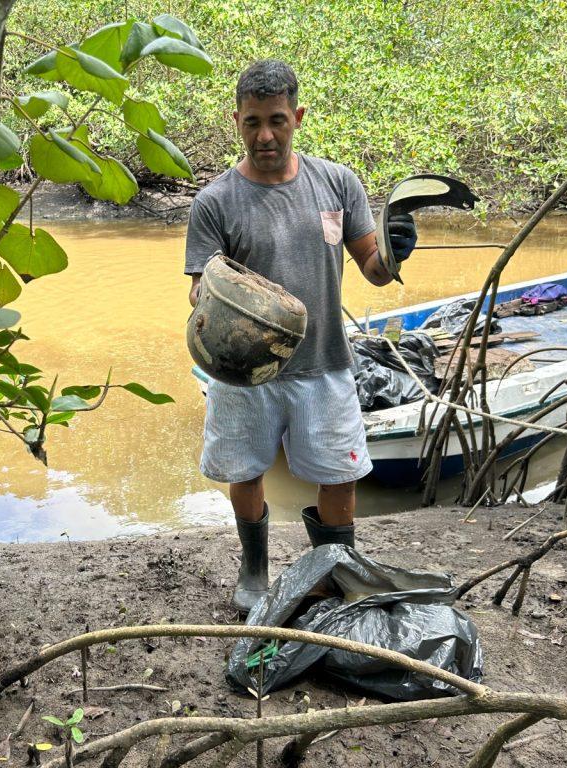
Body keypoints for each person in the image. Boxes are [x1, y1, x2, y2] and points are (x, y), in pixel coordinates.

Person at [184, 60, 417, 612]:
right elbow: (200, 292)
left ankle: (334, 573)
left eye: (278, 121)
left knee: (339, 474)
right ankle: (255, 568)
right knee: (244, 471)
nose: (266, 135)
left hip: (326, 363)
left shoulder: (337, 183)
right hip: (245, 372)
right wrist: (220, 302)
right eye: (253, 122)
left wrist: (397, 246)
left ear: (298, 117)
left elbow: (374, 269)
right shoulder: (214, 202)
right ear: (236, 120)